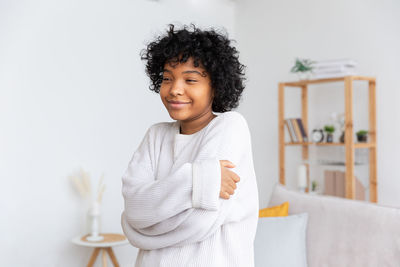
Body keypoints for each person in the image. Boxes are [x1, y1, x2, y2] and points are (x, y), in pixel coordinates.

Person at [121, 23, 259, 267]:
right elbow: (133, 211)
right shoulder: (156, 136)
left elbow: (198, 222)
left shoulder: (230, 126)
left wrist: (148, 222)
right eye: (167, 78)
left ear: (215, 86)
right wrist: (200, 180)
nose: (175, 89)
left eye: (191, 80)